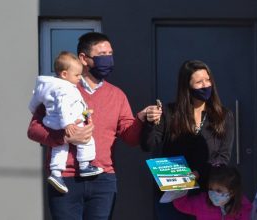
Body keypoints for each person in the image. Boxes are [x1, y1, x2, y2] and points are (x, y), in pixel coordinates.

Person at [27, 32, 159, 219]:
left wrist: (141, 118)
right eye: (102, 55)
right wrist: (64, 137)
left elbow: (129, 137)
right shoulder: (60, 89)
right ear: (83, 58)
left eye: (110, 54)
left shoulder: (117, 95)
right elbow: (33, 130)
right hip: (65, 178)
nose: (109, 59)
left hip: (103, 179)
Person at [140, 60, 235, 220]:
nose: (205, 85)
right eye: (199, 82)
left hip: (206, 194)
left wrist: (199, 173)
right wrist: (150, 123)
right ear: (187, 86)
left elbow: (223, 156)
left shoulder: (223, 116)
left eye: (207, 79)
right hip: (172, 192)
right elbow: (148, 145)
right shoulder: (170, 113)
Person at [28, 51, 103, 194]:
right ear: (64, 74)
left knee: (60, 147)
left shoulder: (46, 85)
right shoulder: (65, 88)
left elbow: (34, 102)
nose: (80, 78)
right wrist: (68, 124)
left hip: (52, 122)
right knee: (86, 140)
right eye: (77, 75)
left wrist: (32, 110)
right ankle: (85, 165)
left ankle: (56, 173)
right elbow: (64, 107)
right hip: (69, 122)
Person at [173, 165, 252, 220]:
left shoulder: (241, 208)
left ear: (232, 192)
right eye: (211, 189)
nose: (213, 193)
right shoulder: (202, 202)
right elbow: (182, 205)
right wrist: (182, 185)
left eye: (218, 190)